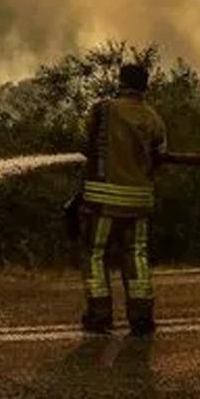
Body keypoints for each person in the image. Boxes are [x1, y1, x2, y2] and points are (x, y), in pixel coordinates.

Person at [79, 63, 167, 336]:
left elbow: (82, 139)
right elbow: (160, 153)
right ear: (145, 86)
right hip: (139, 199)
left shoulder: (103, 110)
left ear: (121, 83)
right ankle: (141, 318)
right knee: (137, 253)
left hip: (102, 199)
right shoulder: (153, 117)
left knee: (95, 254)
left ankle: (100, 316)